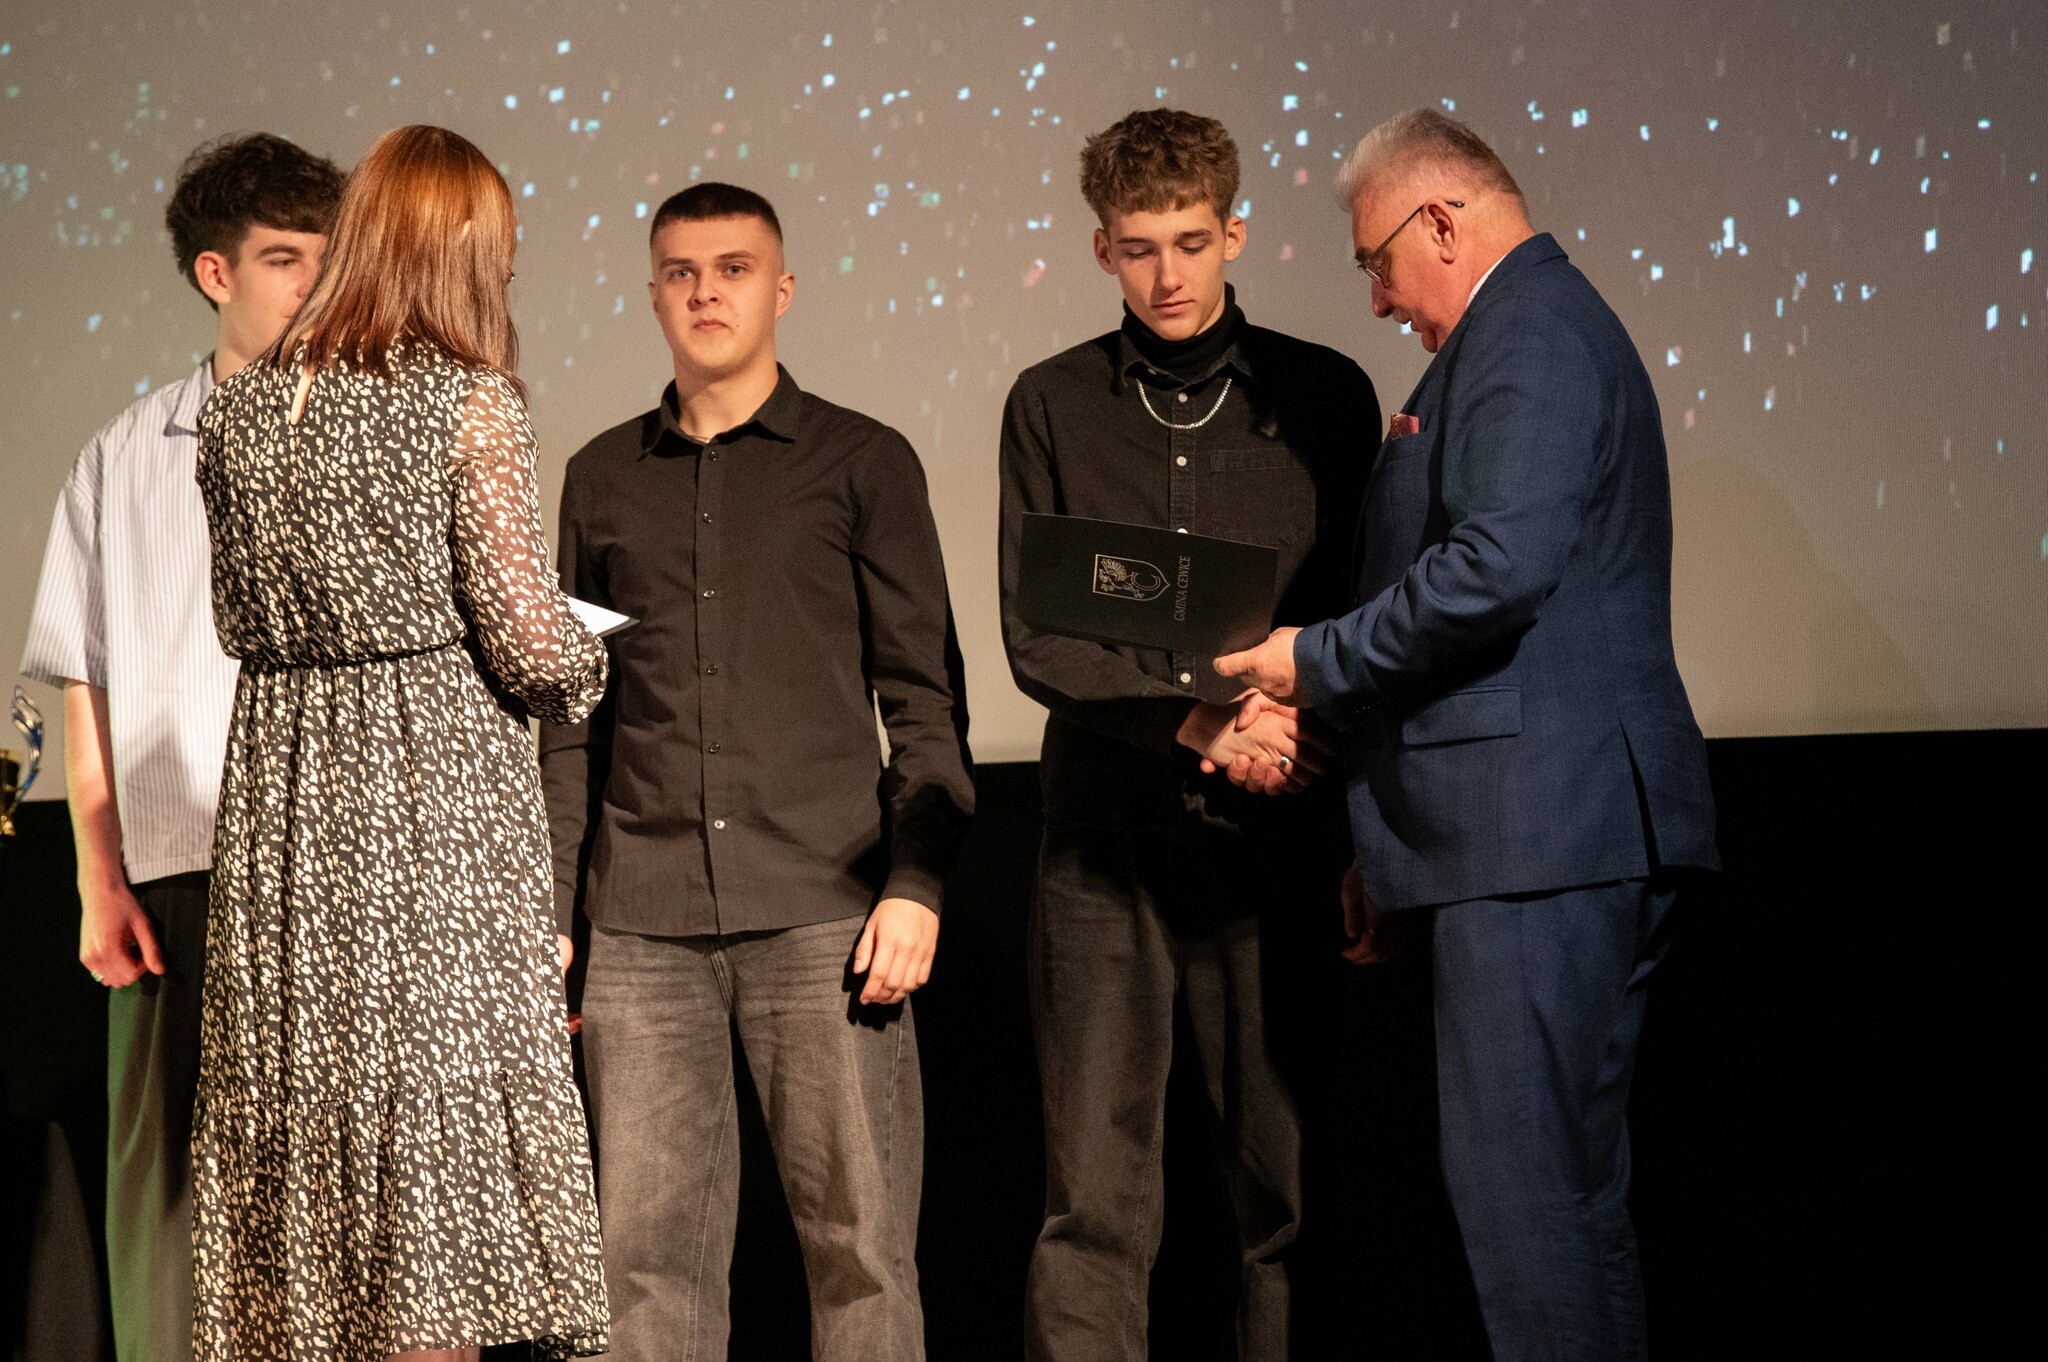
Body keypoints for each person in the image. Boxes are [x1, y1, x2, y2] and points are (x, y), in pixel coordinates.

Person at [1217, 108, 1721, 1361]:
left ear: (1439, 221)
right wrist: (1387, 844)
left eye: (1375, 262)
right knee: (1565, 1206)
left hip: (1538, 836)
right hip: (1528, 836)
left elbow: (1493, 571)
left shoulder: (1528, 332)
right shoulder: (1529, 328)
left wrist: (1307, 662)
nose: (1378, 300)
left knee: (1525, 1207)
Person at [191, 125, 610, 1362]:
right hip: (425, 822)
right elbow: (531, 647)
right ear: (460, 255)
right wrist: (588, 657)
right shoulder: (466, 402)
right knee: (430, 1193)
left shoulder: (239, 409)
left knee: (316, 1187)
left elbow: (237, 616)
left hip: (285, 827)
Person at [539, 182, 974, 1362]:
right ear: (651, 295)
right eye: (681, 273)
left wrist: (915, 884)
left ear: (780, 289)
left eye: (732, 269)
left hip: (824, 911)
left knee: (861, 1254)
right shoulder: (599, 476)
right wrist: (554, 911)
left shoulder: (862, 461)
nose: (706, 292)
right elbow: (573, 719)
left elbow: (922, 700)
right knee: (640, 1271)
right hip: (641, 921)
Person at [997, 109, 1378, 1361]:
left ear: (1234, 234)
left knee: (1286, 1191)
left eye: (1191, 243)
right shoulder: (1051, 403)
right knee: (1092, 1203)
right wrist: (1199, 721)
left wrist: (1295, 734)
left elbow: (1362, 613)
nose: (1166, 275)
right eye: (1138, 248)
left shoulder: (1324, 394)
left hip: (1274, 839)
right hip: (1101, 846)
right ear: (1100, 248)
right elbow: (1036, 640)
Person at [18, 132, 342, 1362]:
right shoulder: (126, 455)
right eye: (285, 259)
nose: (315, 284)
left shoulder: (380, 437)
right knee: (173, 1197)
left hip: (343, 864)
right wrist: (96, 876)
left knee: (335, 1180)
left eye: (327, 258)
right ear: (218, 274)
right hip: (182, 868)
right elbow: (83, 677)